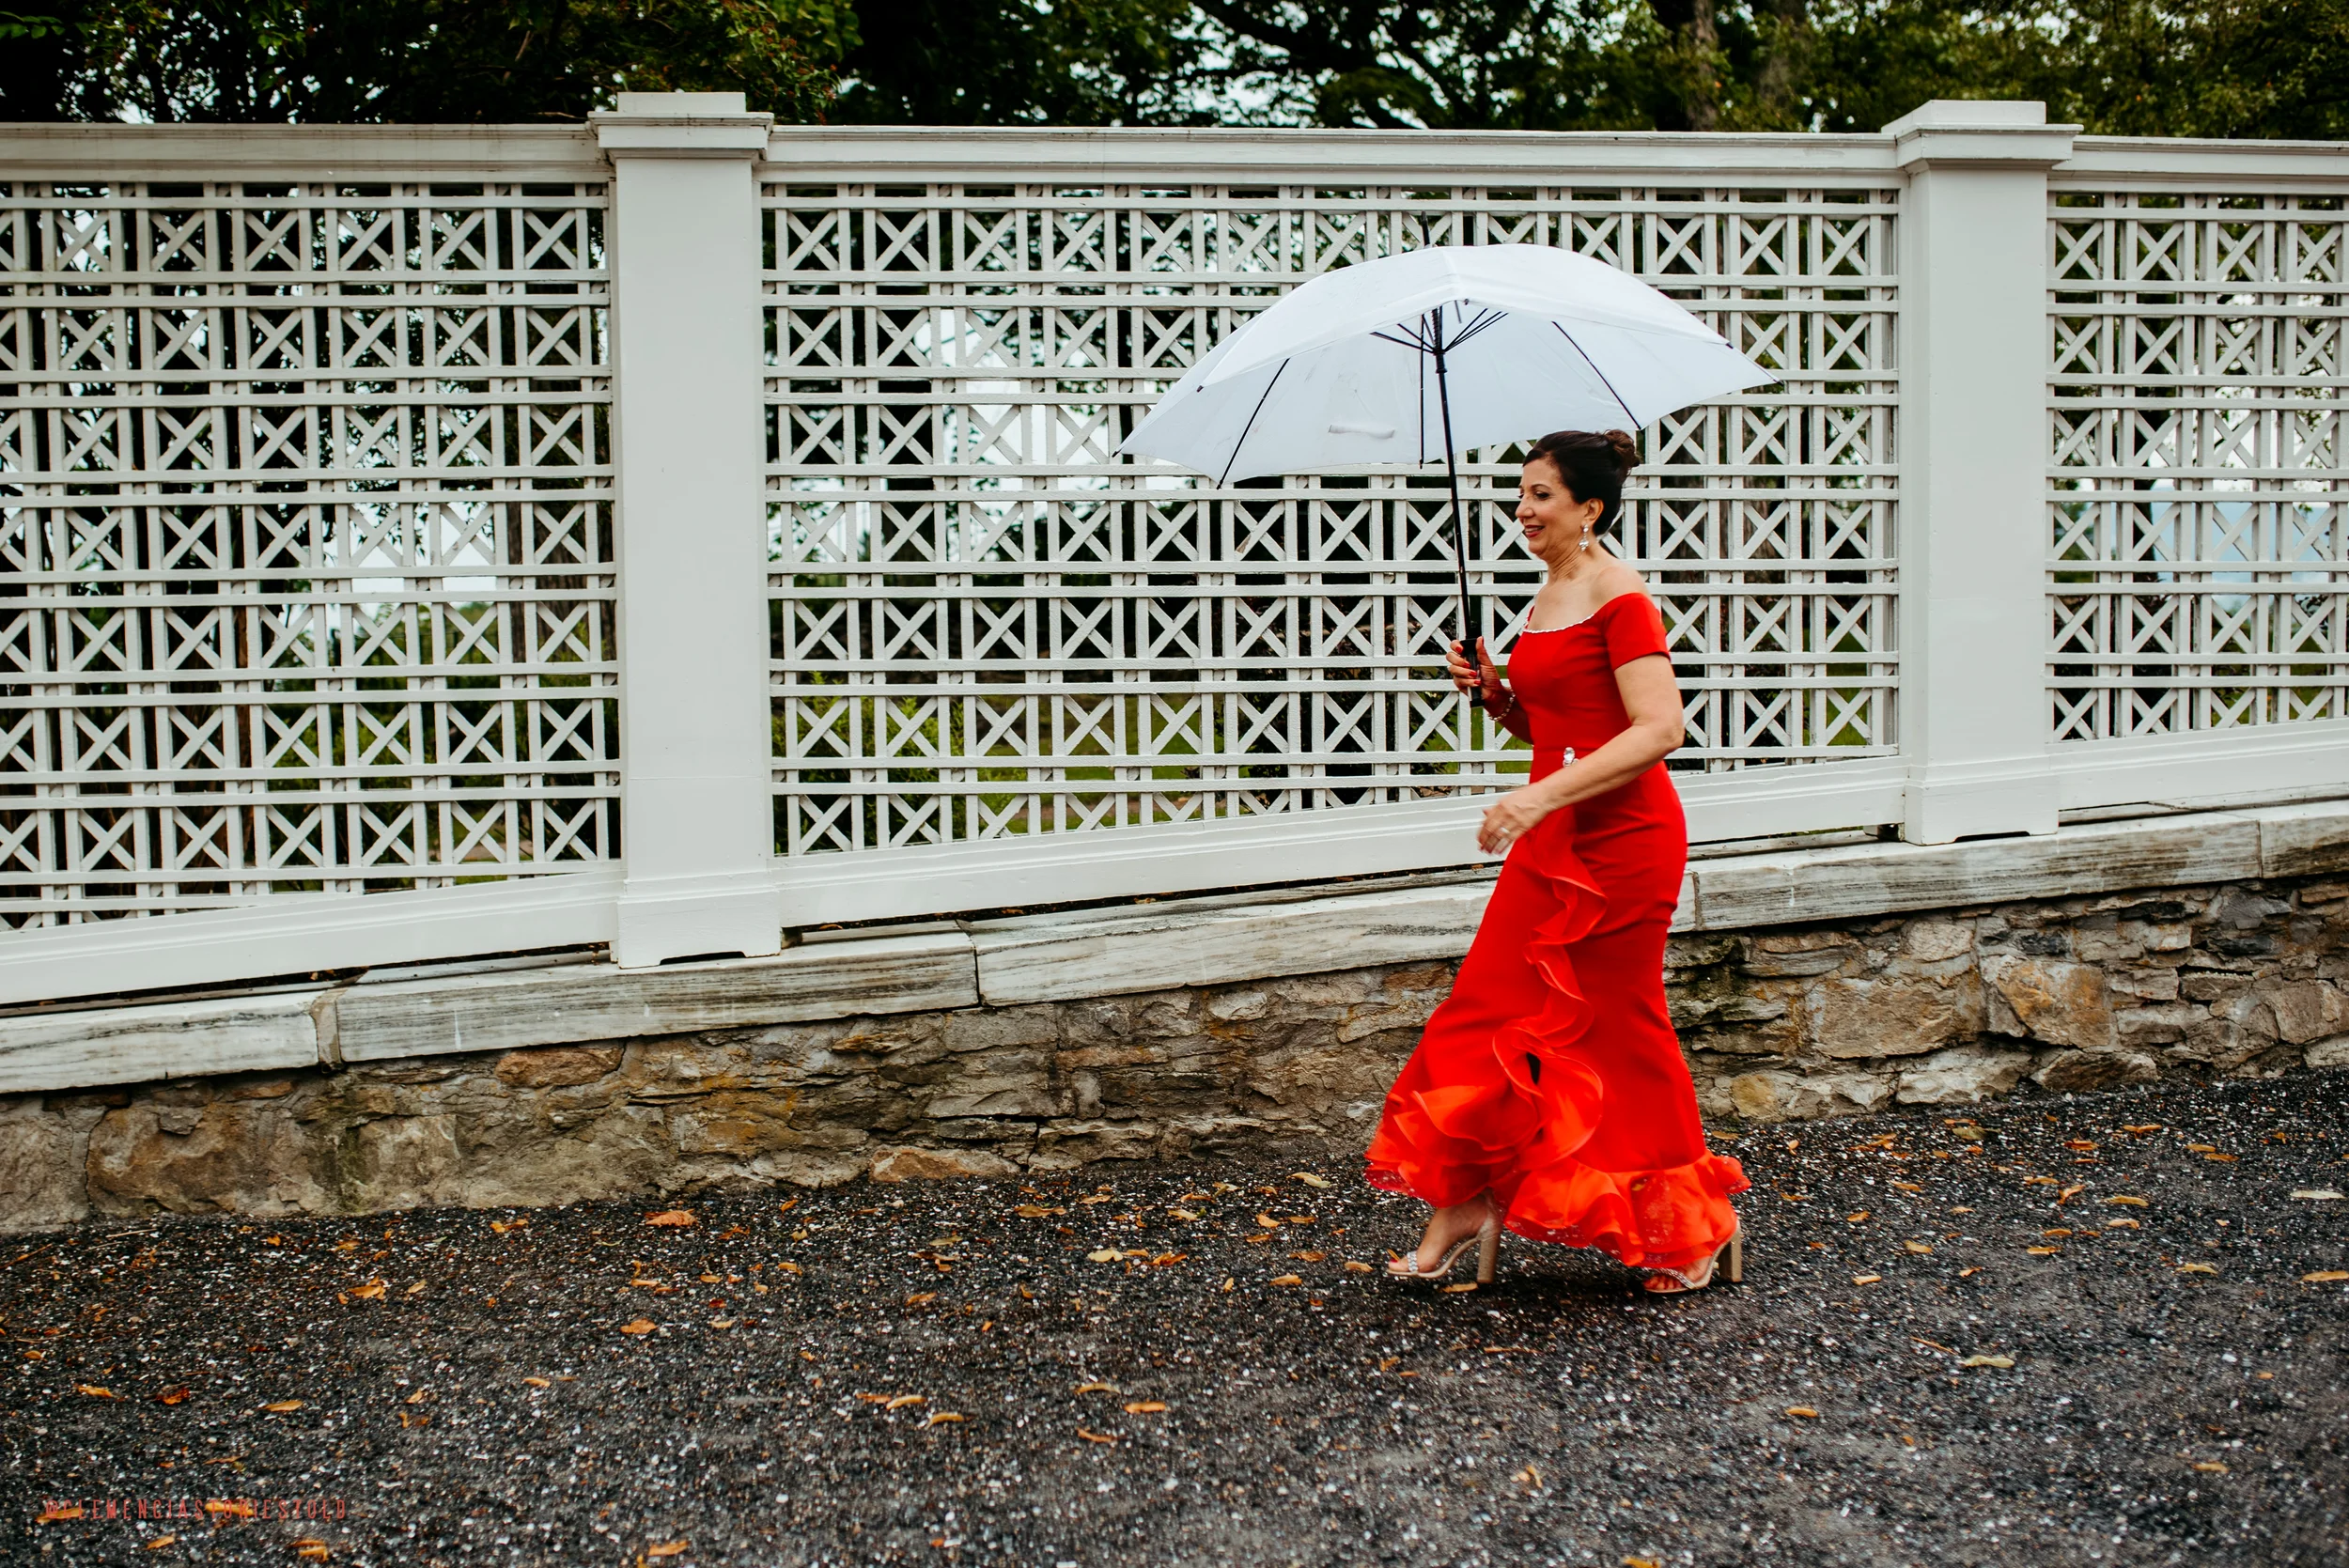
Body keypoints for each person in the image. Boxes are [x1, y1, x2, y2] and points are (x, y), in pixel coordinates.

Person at [1363, 428, 1748, 1294]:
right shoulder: (1549, 594)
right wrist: (1498, 696)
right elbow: (1562, 727)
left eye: (1541, 495)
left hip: (1621, 842)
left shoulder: (1621, 594)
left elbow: (1658, 730)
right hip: (1555, 843)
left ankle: (1690, 1224)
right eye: (1521, 492)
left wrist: (1535, 796)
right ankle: (1466, 1199)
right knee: (1488, 1014)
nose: (1523, 509)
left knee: (1620, 1026)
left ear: (1591, 508)